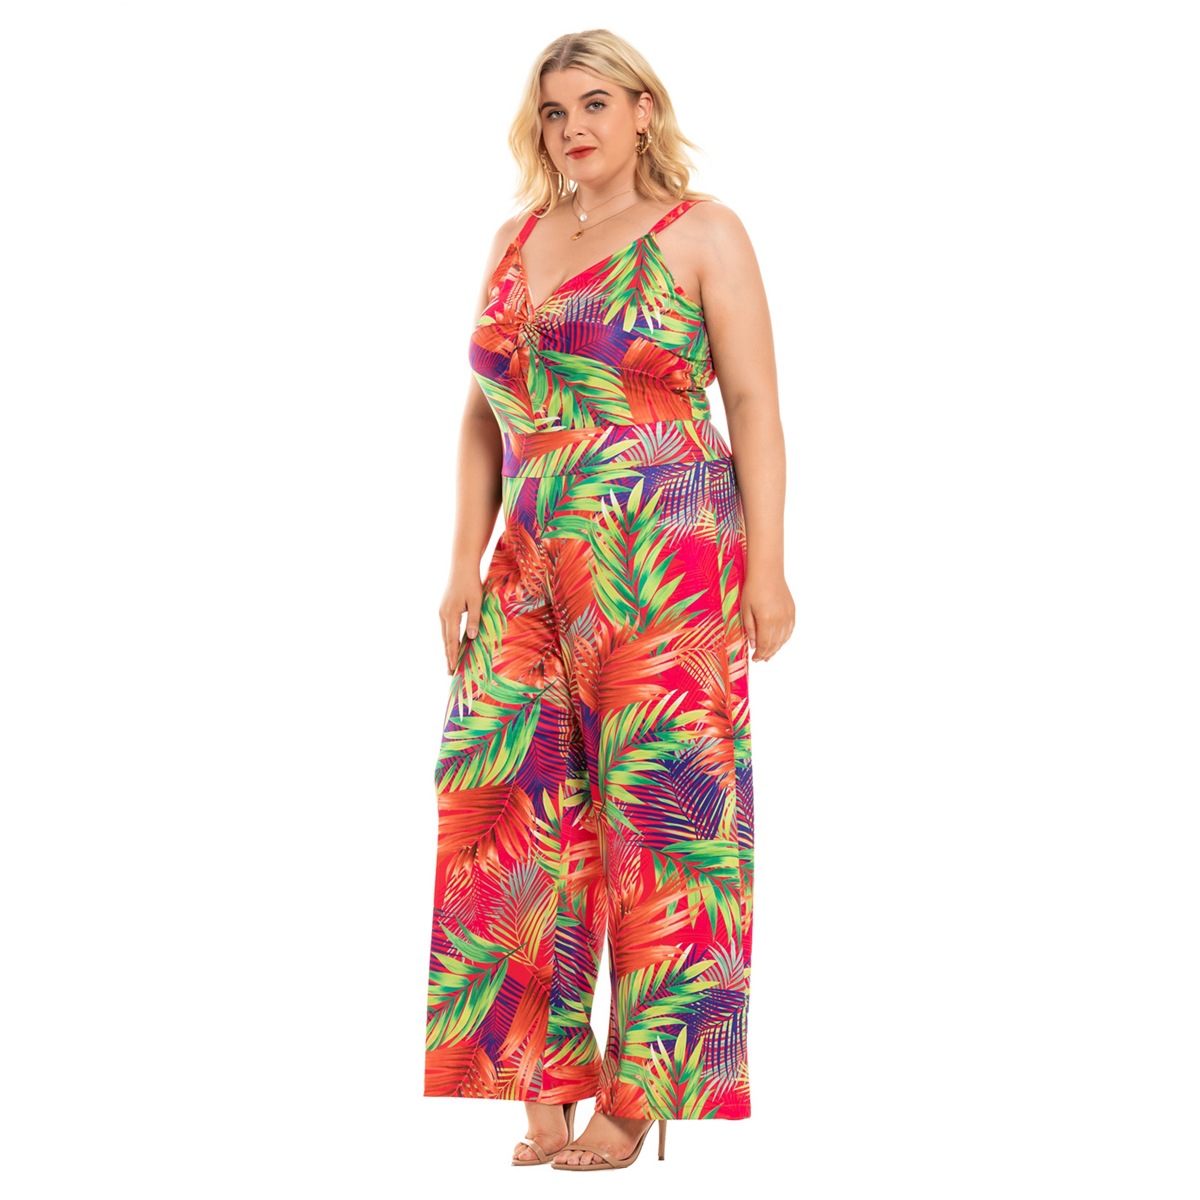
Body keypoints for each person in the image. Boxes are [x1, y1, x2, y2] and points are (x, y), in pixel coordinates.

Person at [422, 28, 794, 1171]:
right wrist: (461, 563)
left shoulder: (703, 231)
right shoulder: (513, 239)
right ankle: (540, 1071)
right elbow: (483, 416)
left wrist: (768, 567)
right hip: (529, 553)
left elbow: (753, 404)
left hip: (664, 544)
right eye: (552, 110)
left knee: (665, 815)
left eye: (593, 102)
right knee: (503, 800)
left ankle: (645, 1091)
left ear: (642, 109)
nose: (572, 126)